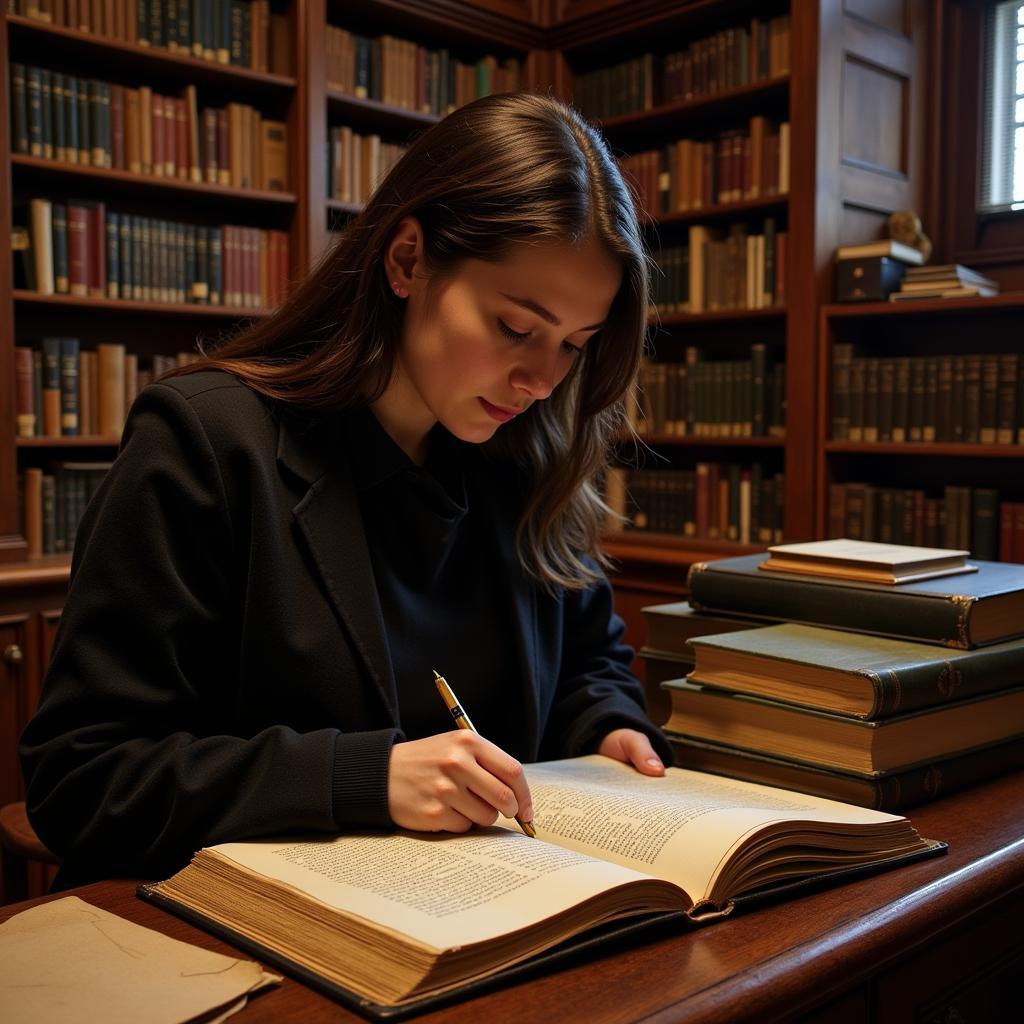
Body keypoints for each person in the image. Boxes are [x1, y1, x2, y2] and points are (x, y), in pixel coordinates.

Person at [20, 91, 673, 890]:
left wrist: (607, 729)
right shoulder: (209, 442)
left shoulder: (522, 457)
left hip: (478, 917)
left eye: (574, 344)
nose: (541, 380)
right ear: (407, 260)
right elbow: (82, 777)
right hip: (242, 940)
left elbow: (589, 658)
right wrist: (363, 777)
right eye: (514, 327)